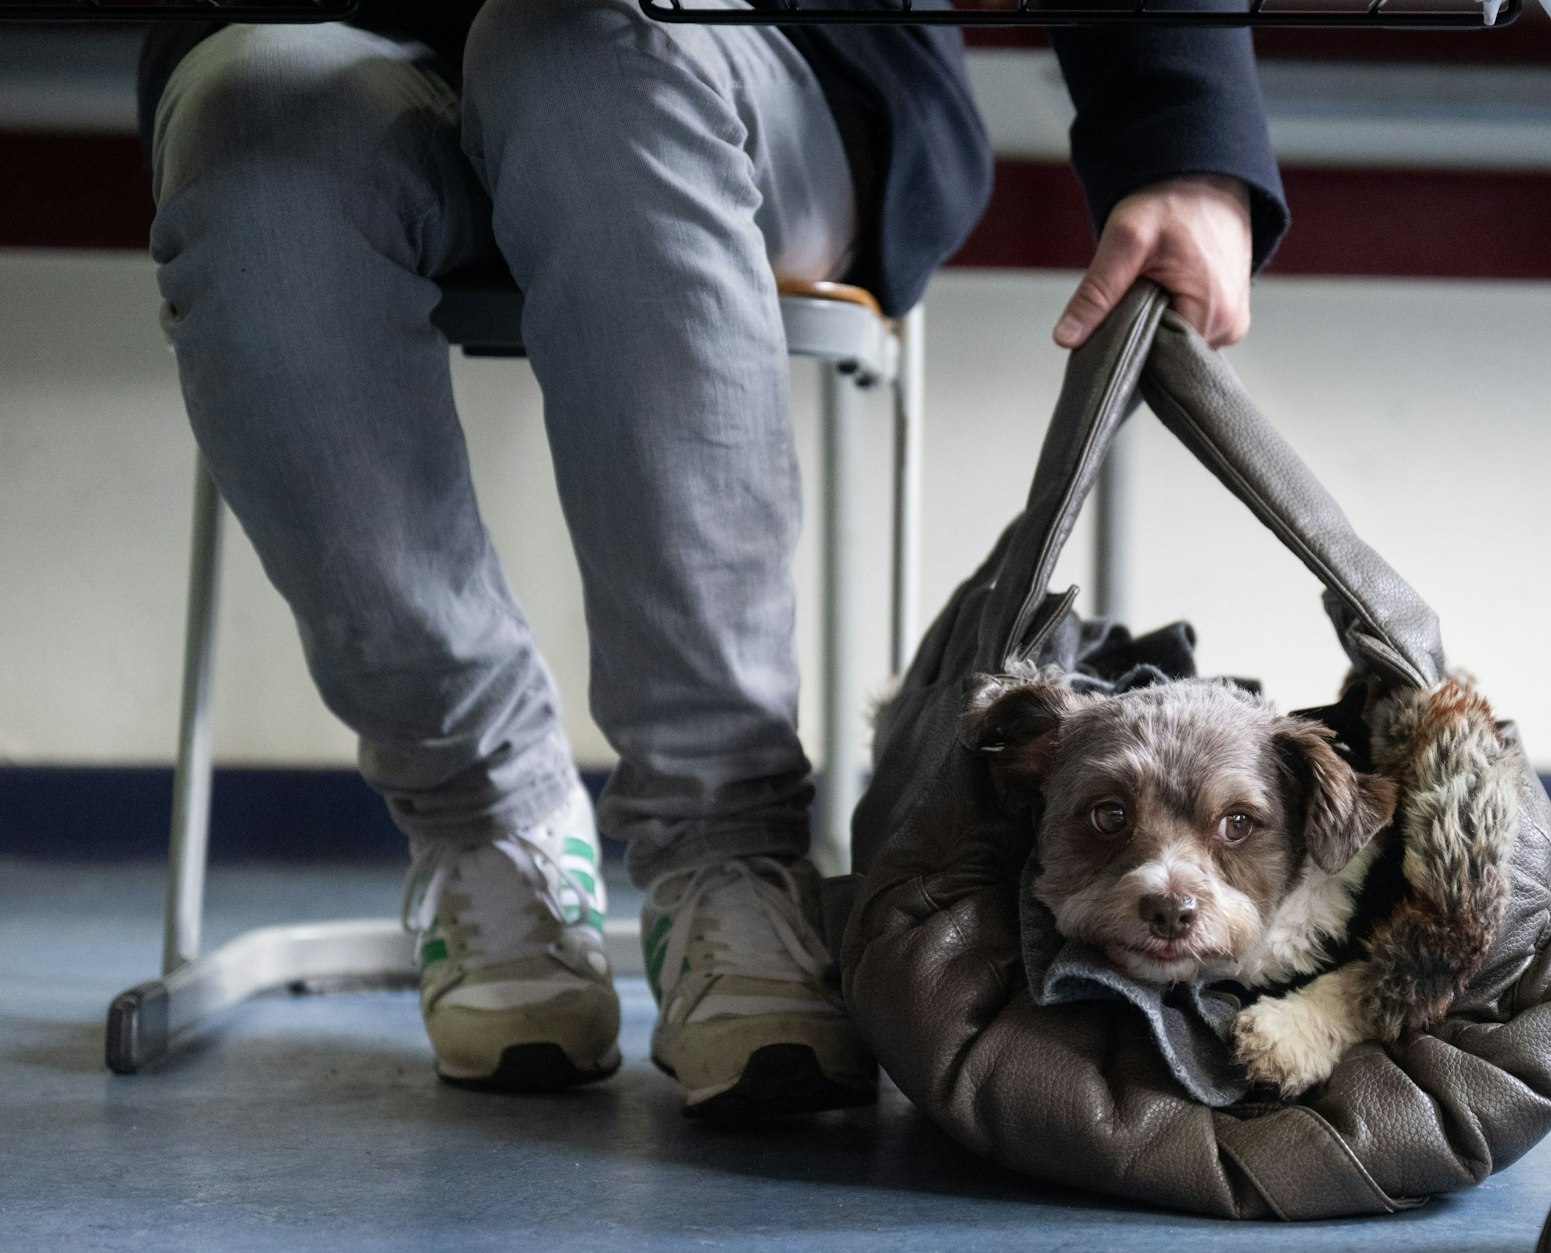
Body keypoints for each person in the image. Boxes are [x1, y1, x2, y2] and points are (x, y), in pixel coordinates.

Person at [136, 0, 1287, 1115]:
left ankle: (724, 848)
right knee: (253, 127)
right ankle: (487, 822)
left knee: (580, 52)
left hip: (739, 58)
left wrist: (1178, 130)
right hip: (357, 48)